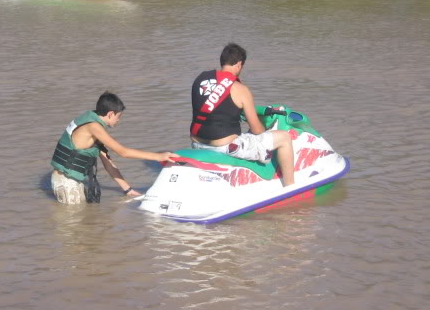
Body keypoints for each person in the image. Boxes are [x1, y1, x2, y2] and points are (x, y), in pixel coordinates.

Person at [189, 43, 295, 186]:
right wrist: (266, 130)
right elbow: (257, 130)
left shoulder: (200, 79)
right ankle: (290, 187)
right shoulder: (240, 89)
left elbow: (215, 111)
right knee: (284, 138)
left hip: (197, 144)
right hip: (224, 147)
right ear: (239, 64)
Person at [50, 91, 179, 204]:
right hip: (66, 182)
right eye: (119, 117)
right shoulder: (94, 127)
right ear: (111, 114)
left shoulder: (90, 121)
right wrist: (158, 156)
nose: (118, 121)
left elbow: (108, 163)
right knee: (73, 224)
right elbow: (123, 152)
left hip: (68, 180)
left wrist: (128, 189)